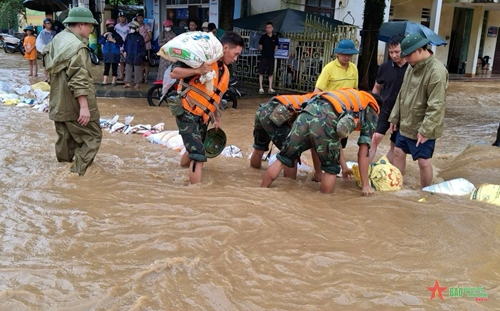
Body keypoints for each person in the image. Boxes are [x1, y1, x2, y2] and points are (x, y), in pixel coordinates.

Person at [261, 89, 382, 195]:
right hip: (326, 119)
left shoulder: (351, 96)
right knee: (331, 169)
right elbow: (363, 151)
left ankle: (261, 191)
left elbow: (335, 141)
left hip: (306, 112)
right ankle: (322, 204)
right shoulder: (371, 108)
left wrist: (344, 168)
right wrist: (366, 185)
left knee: (283, 157)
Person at [170, 31, 244, 184]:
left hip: (204, 116)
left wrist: (216, 119)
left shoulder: (225, 71)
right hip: (186, 110)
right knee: (198, 153)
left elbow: (215, 96)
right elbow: (174, 73)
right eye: (235, 54)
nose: (236, 58)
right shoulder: (202, 60)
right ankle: (196, 193)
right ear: (225, 48)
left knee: (196, 147)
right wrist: (197, 70)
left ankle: (180, 169)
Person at [43, 6, 102, 176]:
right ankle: (77, 174)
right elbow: (79, 78)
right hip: (74, 102)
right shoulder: (78, 47)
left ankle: (64, 170)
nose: (91, 29)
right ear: (82, 24)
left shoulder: (58, 38)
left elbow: (46, 60)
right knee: (92, 136)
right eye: (91, 26)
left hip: (58, 99)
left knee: (65, 137)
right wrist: (84, 107)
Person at [388, 34, 449, 188]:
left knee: (423, 161)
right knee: (398, 152)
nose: (406, 59)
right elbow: (403, 93)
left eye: (408, 55)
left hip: (423, 124)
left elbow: (436, 105)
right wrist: (395, 117)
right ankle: (396, 186)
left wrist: (426, 129)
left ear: (420, 50)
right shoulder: (411, 66)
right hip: (407, 121)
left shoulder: (437, 72)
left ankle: (425, 191)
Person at [250, 93, 322, 181]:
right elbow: (316, 144)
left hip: (263, 110)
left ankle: (253, 173)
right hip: (276, 115)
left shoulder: (311, 98)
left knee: (259, 148)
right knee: (291, 155)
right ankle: (288, 186)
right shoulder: (321, 111)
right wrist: (318, 174)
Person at [369, 34, 408, 163]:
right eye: (391, 52)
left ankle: (388, 173)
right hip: (386, 109)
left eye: (397, 52)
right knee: (374, 138)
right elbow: (376, 87)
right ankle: (364, 170)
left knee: (396, 146)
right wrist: (373, 107)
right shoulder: (384, 67)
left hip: (404, 112)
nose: (394, 55)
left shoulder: (412, 69)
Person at [98, 19, 123, 86]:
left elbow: (120, 43)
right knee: (106, 68)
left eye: (112, 25)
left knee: (114, 68)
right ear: (107, 26)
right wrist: (104, 35)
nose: (110, 26)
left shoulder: (117, 35)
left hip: (115, 53)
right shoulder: (104, 34)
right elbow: (100, 42)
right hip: (106, 53)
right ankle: (104, 81)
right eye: (109, 25)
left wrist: (113, 41)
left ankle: (113, 81)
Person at [123, 21, 146, 89]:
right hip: (129, 54)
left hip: (137, 55)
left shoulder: (140, 37)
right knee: (128, 69)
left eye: (133, 28)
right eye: (131, 28)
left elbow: (143, 48)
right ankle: (127, 82)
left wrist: (140, 55)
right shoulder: (129, 36)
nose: (131, 29)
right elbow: (125, 45)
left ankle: (137, 83)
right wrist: (125, 51)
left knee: (137, 70)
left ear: (137, 28)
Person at [258, 22, 279, 94]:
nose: (268, 29)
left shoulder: (275, 38)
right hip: (264, 56)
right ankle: (261, 87)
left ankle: (270, 87)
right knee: (261, 72)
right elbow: (260, 46)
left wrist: (271, 52)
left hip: (271, 57)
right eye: (266, 28)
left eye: (269, 28)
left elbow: (276, 46)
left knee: (270, 73)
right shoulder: (263, 37)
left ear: (272, 28)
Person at [135, 12, 152, 83]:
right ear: (137, 18)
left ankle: (146, 78)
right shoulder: (135, 27)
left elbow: (150, 36)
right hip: (138, 47)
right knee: (140, 63)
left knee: (146, 63)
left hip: (146, 47)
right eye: (139, 17)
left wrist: (144, 42)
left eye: (141, 17)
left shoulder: (147, 26)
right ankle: (141, 78)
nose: (140, 19)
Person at [114, 11, 129, 81]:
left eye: (123, 17)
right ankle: (121, 75)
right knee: (121, 62)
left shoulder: (128, 26)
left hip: (126, 46)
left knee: (128, 62)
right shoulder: (116, 27)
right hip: (119, 46)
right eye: (121, 17)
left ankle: (128, 76)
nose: (122, 18)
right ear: (118, 18)